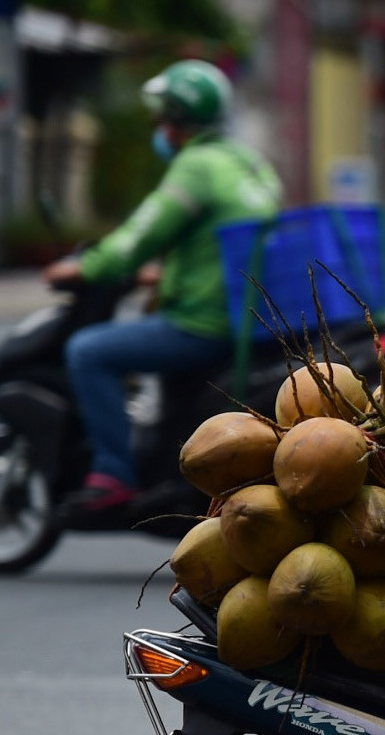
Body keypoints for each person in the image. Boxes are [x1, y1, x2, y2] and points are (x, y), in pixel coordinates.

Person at [44, 59, 282, 516]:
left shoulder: (196, 166)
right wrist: (159, 275)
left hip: (203, 321)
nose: (158, 126)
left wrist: (83, 267)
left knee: (88, 351)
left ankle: (113, 473)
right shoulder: (247, 162)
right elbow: (216, 244)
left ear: (177, 121)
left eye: (162, 116)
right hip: (240, 312)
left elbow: (139, 237)